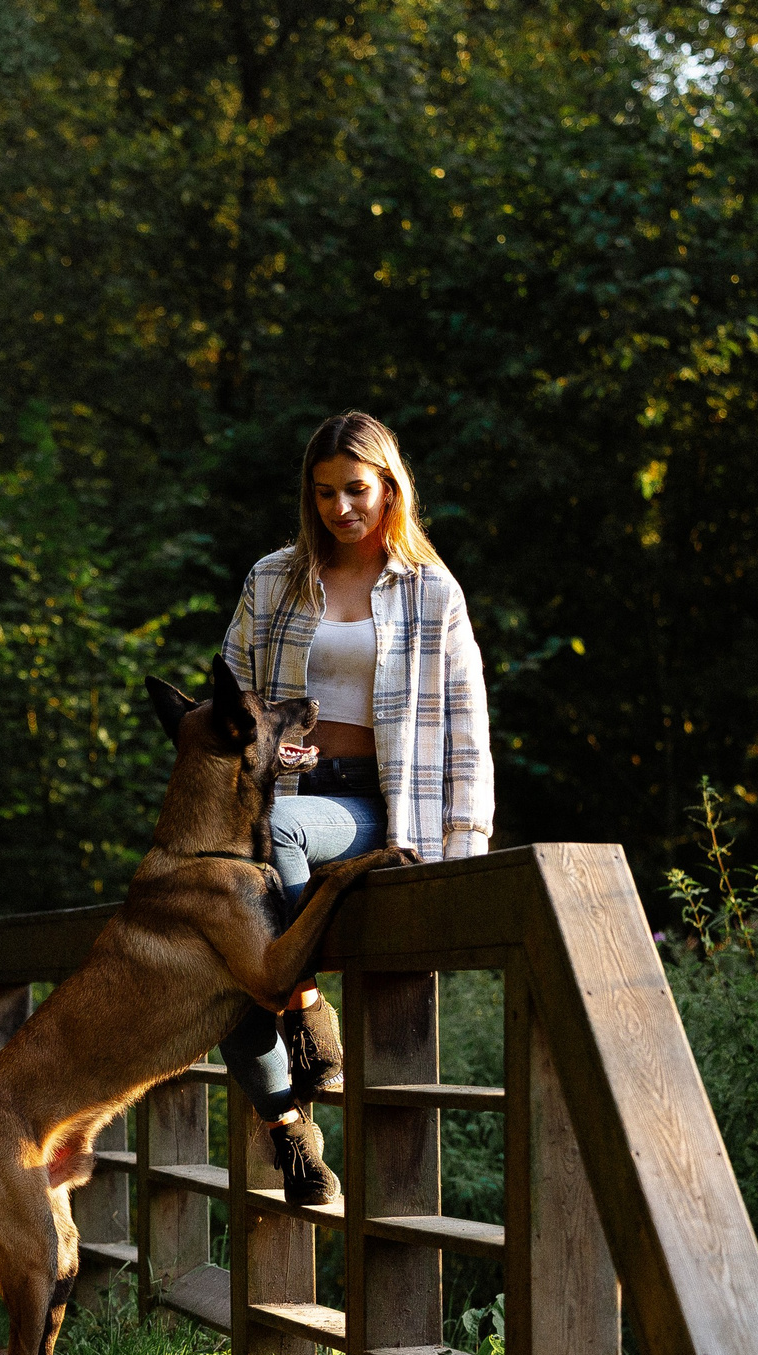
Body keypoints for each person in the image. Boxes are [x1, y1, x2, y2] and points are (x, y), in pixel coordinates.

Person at [217, 411, 492, 1203]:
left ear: (389, 488)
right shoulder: (274, 579)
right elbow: (231, 697)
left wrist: (462, 849)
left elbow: (466, 726)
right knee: (228, 967)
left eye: (358, 490)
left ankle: (301, 1003)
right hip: (288, 796)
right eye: (327, 492)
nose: (343, 507)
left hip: (376, 807)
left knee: (283, 834)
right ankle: (292, 1135)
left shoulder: (430, 591)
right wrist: (268, 747)